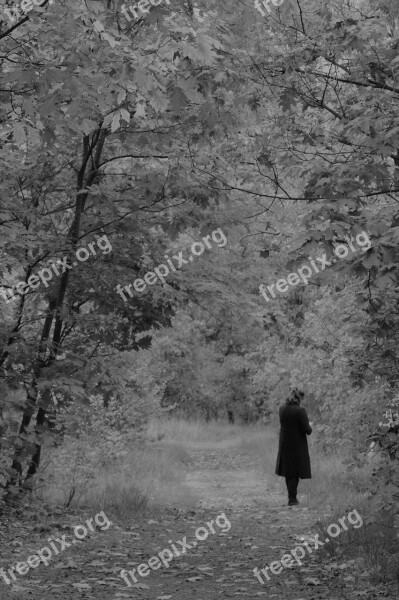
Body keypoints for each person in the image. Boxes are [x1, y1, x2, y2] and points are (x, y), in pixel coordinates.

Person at [275, 388, 312, 506]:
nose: (302, 401)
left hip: (285, 443)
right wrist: (310, 425)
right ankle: (292, 499)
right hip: (297, 444)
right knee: (295, 471)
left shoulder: (282, 409)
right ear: (298, 398)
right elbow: (307, 430)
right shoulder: (300, 411)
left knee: (289, 471)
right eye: (301, 398)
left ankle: (291, 497)